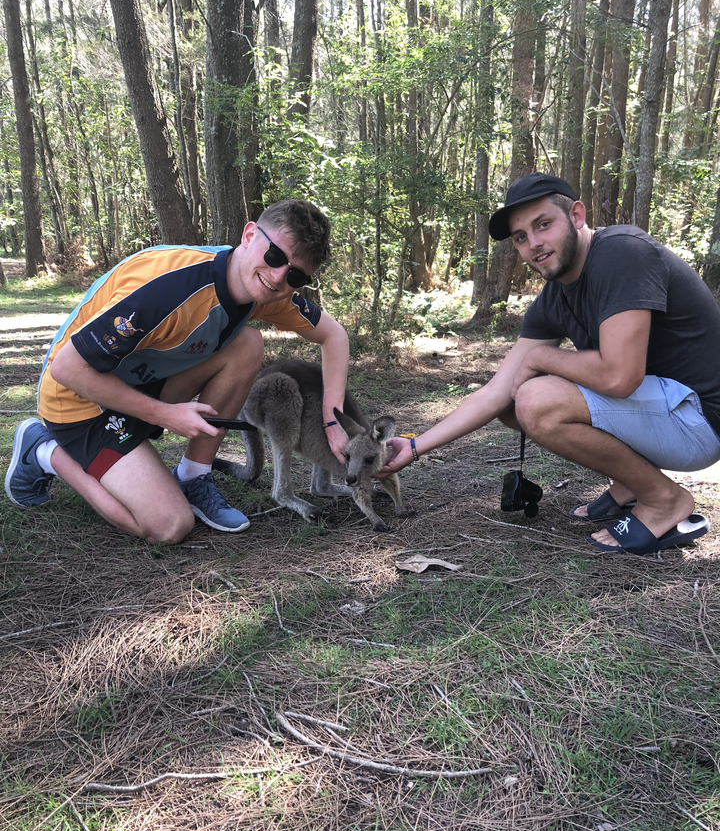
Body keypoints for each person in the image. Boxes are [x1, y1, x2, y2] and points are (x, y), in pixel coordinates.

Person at [380, 173, 720, 555]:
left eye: (543, 225)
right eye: (521, 237)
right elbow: (497, 391)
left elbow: (620, 377)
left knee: (537, 401)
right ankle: (632, 484)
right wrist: (414, 446)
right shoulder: (553, 298)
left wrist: (542, 357)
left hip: (700, 419)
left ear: (576, 216)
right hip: (661, 412)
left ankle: (663, 499)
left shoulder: (622, 253)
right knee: (513, 402)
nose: (534, 244)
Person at [4, 200, 350, 544]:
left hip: (137, 383)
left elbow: (334, 336)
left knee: (247, 344)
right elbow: (68, 368)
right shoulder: (171, 286)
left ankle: (193, 476)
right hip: (78, 400)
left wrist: (332, 421)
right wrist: (165, 414)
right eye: (275, 256)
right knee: (168, 526)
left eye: (295, 275)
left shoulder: (266, 293)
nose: (278, 276)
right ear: (248, 235)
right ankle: (45, 451)